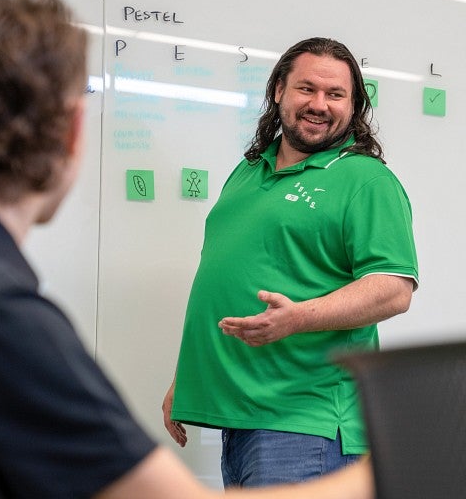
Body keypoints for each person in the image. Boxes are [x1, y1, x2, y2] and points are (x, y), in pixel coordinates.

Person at [0, 0, 375, 498]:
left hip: (302, 412)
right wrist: (387, 466)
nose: (319, 104)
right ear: (69, 132)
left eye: (335, 94)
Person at [164, 37, 418, 488]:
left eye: (336, 94)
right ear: (279, 90)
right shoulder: (247, 171)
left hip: (307, 423)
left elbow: (393, 289)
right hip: (240, 417)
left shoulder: (366, 180)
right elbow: (225, 277)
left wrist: (298, 318)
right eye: (307, 89)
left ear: (354, 105)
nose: (319, 104)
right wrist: (186, 380)